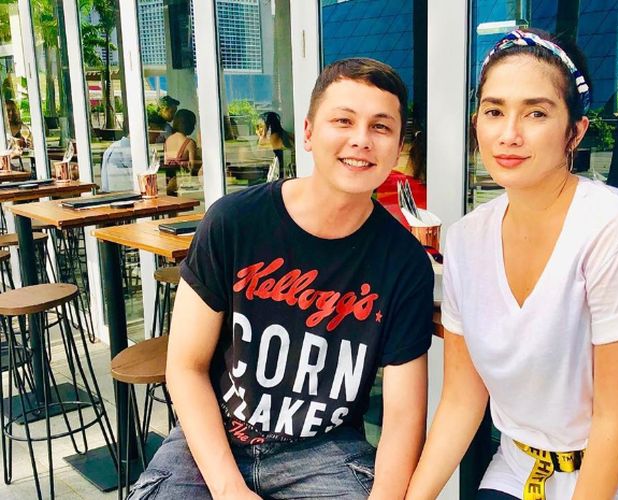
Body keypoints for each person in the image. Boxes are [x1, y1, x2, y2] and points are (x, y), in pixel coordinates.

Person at [406, 29, 618, 500]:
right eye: (494, 111)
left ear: (575, 132)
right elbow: (462, 400)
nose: (509, 134)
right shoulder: (466, 240)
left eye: (536, 113)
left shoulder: (613, 227)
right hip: (522, 468)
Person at [128, 58, 434, 499]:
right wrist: (229, 490)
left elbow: (404, 417)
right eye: (343, 121)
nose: (361, 139)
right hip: (215, 437)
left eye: (380, 127)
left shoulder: (404, 262)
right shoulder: (235, 222)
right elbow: (185, 365)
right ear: (308, 133)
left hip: (325, 450)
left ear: (398, 145)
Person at [163, 109, 201, 195]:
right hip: (184, 183)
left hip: (169, 184)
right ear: (189, 125)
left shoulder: (168, 140)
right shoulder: (189, 143)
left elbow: (166, 162)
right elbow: (192, 166)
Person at [256, 111, 295, 177]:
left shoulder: (274, 140)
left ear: (269, 128)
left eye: (260, 127)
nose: (257, 131)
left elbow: (260, 156)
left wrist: (262, 137)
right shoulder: (286, 136)